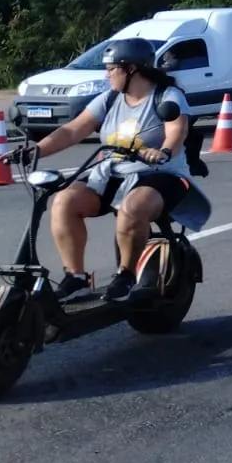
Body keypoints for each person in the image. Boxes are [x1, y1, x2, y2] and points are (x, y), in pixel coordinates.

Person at [27, 38, 211, 303]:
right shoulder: (111, 98)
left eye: (112, 68)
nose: (107, 73)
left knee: (133, 207)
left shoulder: (167, 96)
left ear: (132, 69)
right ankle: (76, 277)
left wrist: (164, 151)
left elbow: (176, 130)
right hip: (112, 172)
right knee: (64, 201)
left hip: (161, 174)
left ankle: (126, 275)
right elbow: (72, 130)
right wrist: (35, 151)